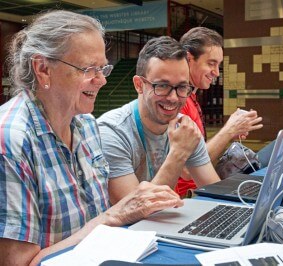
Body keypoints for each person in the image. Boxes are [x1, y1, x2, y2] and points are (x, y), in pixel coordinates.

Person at [0, 10, 184, 266]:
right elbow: (18, 263)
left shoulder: (86, 125)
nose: (102, 80)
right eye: (89, 69)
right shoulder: (11, 141)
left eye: (103, 68)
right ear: (43, 69)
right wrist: (111, 218)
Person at [97, 36, 221, 204]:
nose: (173, 97)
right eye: (162, 86)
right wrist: (178, 153)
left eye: (182, 87)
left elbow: (215, 192)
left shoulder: (184, 128)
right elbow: (133, 211)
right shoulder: (112, 132)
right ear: (139, 85)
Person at [175, 27, 264, 196]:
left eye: (218, 65)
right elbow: (186, 169)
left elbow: (197, 154)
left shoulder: (191, 97)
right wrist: (229, 130)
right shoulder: (178, 102)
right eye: (211, 63)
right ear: (188, 58)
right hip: (185, 200)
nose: (216, 72)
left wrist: (232, 131)